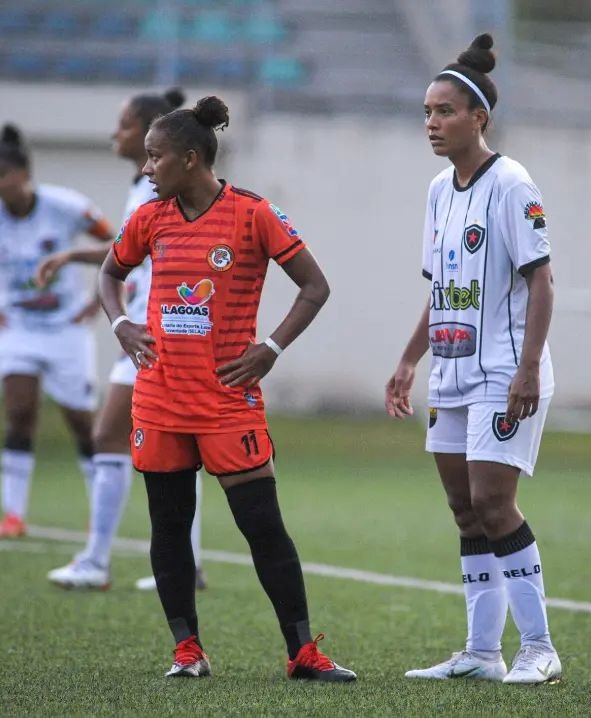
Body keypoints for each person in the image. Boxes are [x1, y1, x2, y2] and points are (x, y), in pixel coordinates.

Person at [99, 96, 355, 681]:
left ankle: (302, 653)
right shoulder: (150, 217)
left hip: (225, 402)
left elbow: (314, 286)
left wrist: (271, 348)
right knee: (169, 528)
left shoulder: (252, 214)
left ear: (190, 159)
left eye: (155, 157)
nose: (146, 169)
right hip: (160, 399)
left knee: (263, 526)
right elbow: (110, 274)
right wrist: (121, 324)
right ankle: (187, 651)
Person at [384, 33, 561, 685]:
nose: (431, 123)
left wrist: (529, 369)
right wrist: (409, 361)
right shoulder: (439, 190)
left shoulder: (512, 185)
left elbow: (542, 281)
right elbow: (442, 288)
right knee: (465, 512)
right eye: (426, 112)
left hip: (503, 372)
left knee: (494, 502)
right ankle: (482, 653)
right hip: (452, 372)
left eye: (444, 111)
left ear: (478, 117)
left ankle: (539, 648)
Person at [38, 89, 207, 592]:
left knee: (111, 436)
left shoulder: (155, 191)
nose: (116, 134)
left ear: (151, 129)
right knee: (169, 444)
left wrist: (133, 317)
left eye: (124, 125)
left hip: (153, 335)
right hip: (146, 330)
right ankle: (182, 562)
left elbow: (136, 253)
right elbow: (127, 251)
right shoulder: (145, 187)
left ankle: (97, 561)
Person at [0, 124, 115, 539]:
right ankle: (13, 515)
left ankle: (99, 512)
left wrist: (98, 301)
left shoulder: (66, 207)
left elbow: (117, 245)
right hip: (17, 327)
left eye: (3, 175)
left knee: (81, 421)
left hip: (66, 328)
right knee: (19, 412)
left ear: (24, 174)